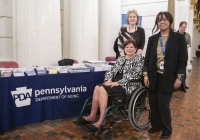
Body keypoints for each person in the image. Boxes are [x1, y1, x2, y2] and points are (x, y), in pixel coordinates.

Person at [75, 39, 144, 132]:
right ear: (124, 49)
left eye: (132, 47)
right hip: (115, 82)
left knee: (103, 90)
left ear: (135, 49)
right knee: (97, 87)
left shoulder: (139, 59)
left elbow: (135, 74)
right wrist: (109, 79)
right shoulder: (121, 58)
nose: (129, 49)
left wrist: (118, 83)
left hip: (129, 85)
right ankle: (92, 115)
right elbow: (112, 70)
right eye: (127, 47)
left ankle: (101, 121)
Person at [142, 12, 188, 139]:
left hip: (168, 77)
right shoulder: (152, 39)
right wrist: (145, 76)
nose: (161, 22)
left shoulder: (178, 38)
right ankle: (155, 126)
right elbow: (146, 60)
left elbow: (183, 60)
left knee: (163, 104)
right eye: (159, 20)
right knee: (153, 103)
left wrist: (179, 77)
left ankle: (166, 129)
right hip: (153, 76)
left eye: (164, 20)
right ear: (157, 23)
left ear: (170, 21)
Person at [177, 21, 191, 90]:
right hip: (175, 55)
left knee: (183, 71)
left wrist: (184, 46)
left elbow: (189, 44)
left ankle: (183, 85)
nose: (184, 28)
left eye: (185, 27)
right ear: (179, 27)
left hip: (184, 55)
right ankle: (175, 85)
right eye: (183, 27)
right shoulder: (174, 34)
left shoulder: (187, 35)